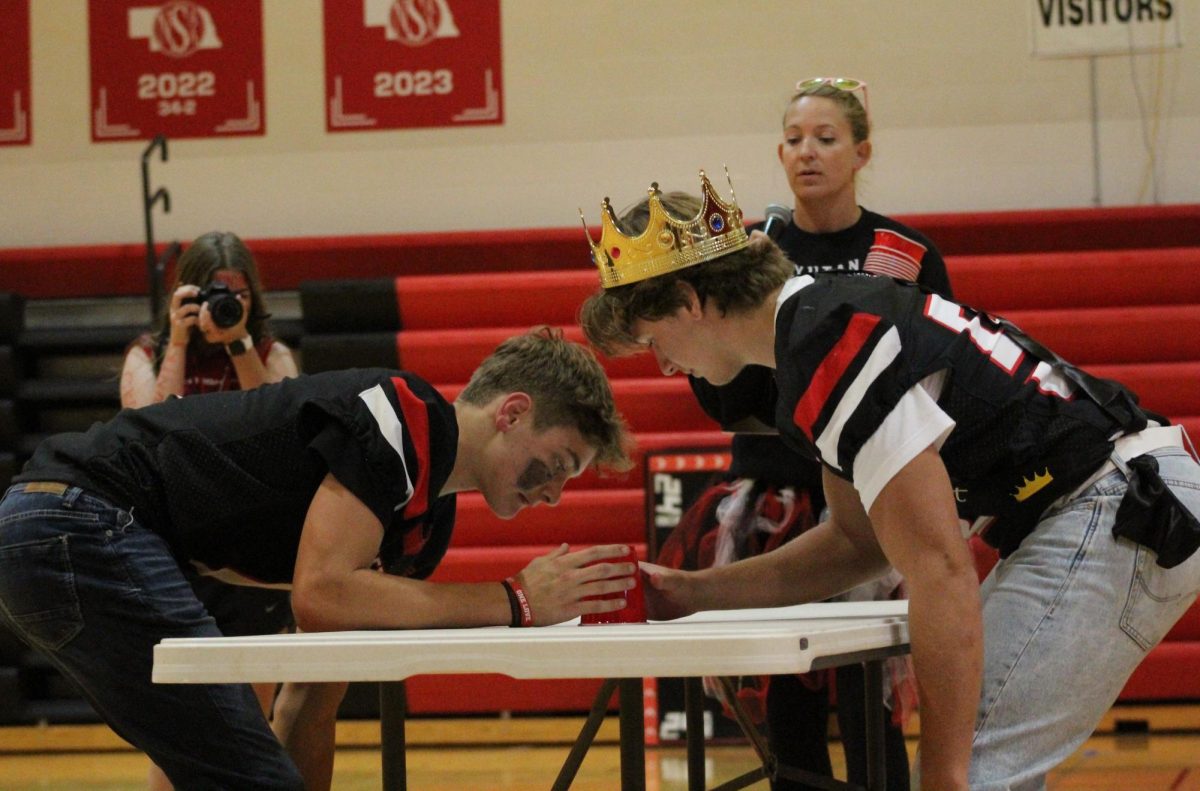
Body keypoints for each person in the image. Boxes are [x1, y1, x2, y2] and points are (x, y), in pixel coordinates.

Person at [579, 171, 1200, 790]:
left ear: (688, 302)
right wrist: (691, 593)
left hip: (1115, 507)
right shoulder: (818, 329)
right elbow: (858, 543)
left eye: (651, 339)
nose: (663, 365)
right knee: (974, 761)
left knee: (968, 769)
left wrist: (945, 777)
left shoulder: (829, 348)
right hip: (1116, 496)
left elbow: (941, 570)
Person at [0, 326, 635, 790]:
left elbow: (311, 695)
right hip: (79, 519)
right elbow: (322, 592)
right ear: (513, 412)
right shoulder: (401, 411)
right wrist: (516, 600)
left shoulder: (422, 527)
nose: (553, 493)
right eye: (556, 465)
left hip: (62, 530)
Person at [661, 77, 950, 790]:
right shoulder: (755, 249)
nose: (808, 153)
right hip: (775, 491)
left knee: (868, 695)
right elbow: (720, 388)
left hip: (876, 492)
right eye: (794, 140)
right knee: (785, 697)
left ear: (862, 151)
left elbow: (937, 370)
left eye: (826, 138)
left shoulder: (904, 253)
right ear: (778, 153)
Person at [119, 230, 346, 790]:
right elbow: (147, 423)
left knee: (248, 710)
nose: (226, 305)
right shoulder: (148, 352)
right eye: (215, 294)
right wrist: (177, 341)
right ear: (186, 294)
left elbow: (284, 427)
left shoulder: (272, 352)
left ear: (254, 298)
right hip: (173, 545)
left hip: (250, 544)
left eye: (238, 296)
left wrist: (239, 343)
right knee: (179, 718)